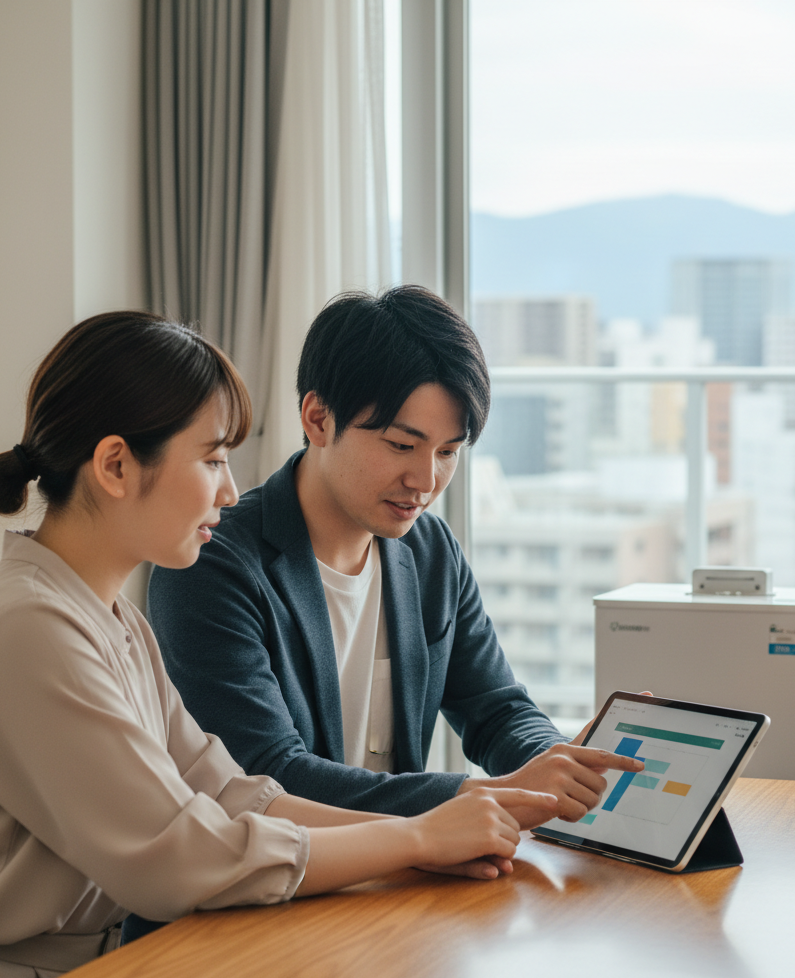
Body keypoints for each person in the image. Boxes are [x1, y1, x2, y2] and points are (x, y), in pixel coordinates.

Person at [0, 311, 563, 978]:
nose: (228, 491)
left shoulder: (110, 620)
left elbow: (232, 791)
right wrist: (414, 835)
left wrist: (424, 844)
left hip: (97, 973)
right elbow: (177, 857)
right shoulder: (29, 630)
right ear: (116, 466)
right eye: (212, 460)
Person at [148, 286, 642, 823]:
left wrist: (559, 761)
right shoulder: (211, 565)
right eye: (402, 446)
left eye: (448, 452)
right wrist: (474, 801)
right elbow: (268, 776)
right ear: (317, 418)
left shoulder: (430, 553)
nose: (425, 481)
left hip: (393, 880)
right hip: (265, 889)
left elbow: (495, 709)